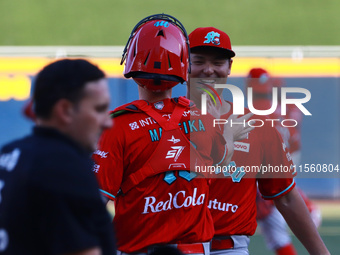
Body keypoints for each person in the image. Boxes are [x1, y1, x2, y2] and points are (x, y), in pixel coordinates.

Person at [93, 14, 251, 255]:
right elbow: (221, 161)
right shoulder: (206, 118)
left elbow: (92, 205)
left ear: (131, 65)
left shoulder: (115, 127)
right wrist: (229, 136)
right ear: (183, 67)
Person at [187, 26, 329, 255]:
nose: (209, 70)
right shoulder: (161, 121)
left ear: (229, 68)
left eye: (218, 62)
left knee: (276, 233)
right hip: (172, 247)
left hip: (228, 249)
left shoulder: (257, 126)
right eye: (199, 60)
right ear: (184, 62)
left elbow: (286, 197)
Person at [0, 59, 116, 255]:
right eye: (99, 109)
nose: (108, 123)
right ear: (65, 110)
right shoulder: (65, 168)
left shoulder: (9, 153)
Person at [247, 68, 322, 255]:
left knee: (272, 221)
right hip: (284, 157)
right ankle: (309, 209)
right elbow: (295, 142)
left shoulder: (256, 108)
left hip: (265, 164)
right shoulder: (291, 107)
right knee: (281, 202)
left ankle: (307, 209)